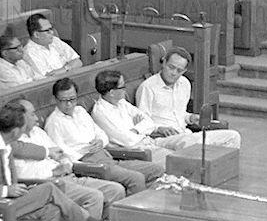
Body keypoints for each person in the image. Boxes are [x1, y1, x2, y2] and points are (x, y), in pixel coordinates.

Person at [12, 99, 125, 221]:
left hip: (69, 175)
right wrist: (52, 171)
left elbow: (60, 153)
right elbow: (22, 173)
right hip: (49, 183)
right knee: (95, 197)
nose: (37, 118)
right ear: (20, 118)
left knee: (116, 190)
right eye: (32, 114)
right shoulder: (13, 142)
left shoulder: (38, 132)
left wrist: (65, 163)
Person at [94, 69, 239, 168]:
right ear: (112, 92)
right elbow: (127, 141)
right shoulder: (101, 112)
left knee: (231, 136)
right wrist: (139, 129)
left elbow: (149, 122)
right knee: (188, 160)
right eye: (122, 87)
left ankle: (223, 171)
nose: (125, 89)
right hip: (141, 151)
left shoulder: (122, 103)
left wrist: (135, 129)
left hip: (154, 141)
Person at [44, 78, 163, 196]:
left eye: (72, 99)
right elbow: (61, 153)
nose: (69, 104)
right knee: (136, 178)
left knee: (156, 169)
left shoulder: (80, 111)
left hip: (107, 156)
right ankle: (133, 206)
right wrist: (85, 153)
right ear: (55, 99)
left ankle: (148, 203)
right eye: (63, 100)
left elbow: (101, 133)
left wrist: (100, 141)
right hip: (89, 164)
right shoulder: (54, 122)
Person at [136, 49, 241, 147]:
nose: (174, 73)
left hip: (185, 134)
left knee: (233, 136)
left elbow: (179, 113)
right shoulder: (148, 87)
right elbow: (141, 121)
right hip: (162, 138)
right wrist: (159, 128)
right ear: (164, 63)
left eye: (179, 70)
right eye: (171, 67)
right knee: (196, 141)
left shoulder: (184, 83)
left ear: (184, 70)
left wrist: (190, 118)